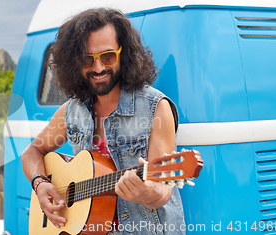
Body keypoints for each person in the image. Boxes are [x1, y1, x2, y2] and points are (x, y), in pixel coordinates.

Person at [21, 8, 188, 235]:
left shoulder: (155, 107)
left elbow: (163, 190)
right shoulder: (71, 111)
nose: (98, 67)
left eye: (107, 56)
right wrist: (40, 184)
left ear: (124, 53)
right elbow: (32, 152)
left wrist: (146, 193)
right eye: (86, 60)